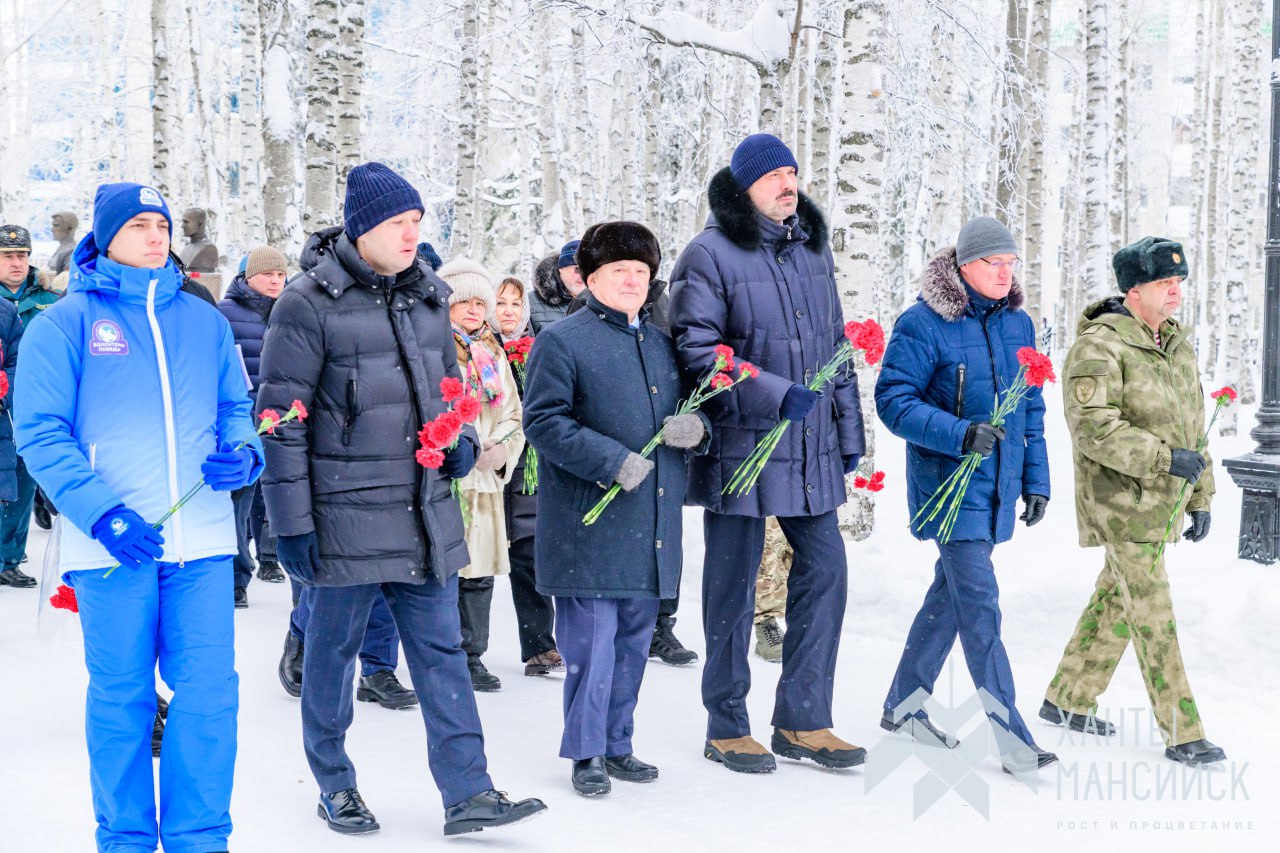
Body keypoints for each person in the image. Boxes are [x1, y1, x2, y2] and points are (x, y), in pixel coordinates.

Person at [255, 161, 546, 836]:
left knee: (443, 656)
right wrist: (290, 524)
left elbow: (450, 394)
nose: (412, 234)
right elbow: (280, 420)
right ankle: (335, 783)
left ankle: (469, 791)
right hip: (344, 517)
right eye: (397, 223)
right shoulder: (307, 303)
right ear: (362, 229)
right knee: (332, 656)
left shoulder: (429, 299)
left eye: (417, 221)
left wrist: (462, 442)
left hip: (423, 513)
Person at [14, 181, 263, 852]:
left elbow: (236, 407)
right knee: (123, 698)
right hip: (111, 547)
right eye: (139, 226)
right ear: (106, 237)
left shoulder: (204, 322)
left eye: (162, 225)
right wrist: (103, 515)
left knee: (208, 696)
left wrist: (245, 453)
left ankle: (198, 838)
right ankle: (123, 838)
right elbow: (40, 433)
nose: (157, 236)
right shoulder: (63, 324)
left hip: (201, 543)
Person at [669, 133, 866, 774]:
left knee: (827, 572)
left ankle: (803, 719)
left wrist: (848, 432)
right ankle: (726, 725)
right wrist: (774, 395)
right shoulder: (708, 254)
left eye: (793, 172)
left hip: (809, 445)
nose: (788, 184)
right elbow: (697, 350)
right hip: (741, 445)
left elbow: (836, 345)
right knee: (731, 586)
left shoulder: (811, 250)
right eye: (774, 176)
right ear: (745, 186)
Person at [523, 220, 707, 796]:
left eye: (641, 271)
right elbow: (543, 421)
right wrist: (610, 460)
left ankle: (618, 743)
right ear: (591, 278)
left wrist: (696, 428)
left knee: (632, 642)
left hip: (650, 523)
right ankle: (587, 752)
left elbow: (695, 411)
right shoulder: (563, 340)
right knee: (591, 645)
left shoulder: (662, 343)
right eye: (618, 270)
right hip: (590, 522)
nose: (632, 280)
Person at [875, 216, 1056, 772]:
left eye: (1010, 263)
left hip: (997, 485)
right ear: (963, 266)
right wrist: (959, 434)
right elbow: (893, 400)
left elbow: (1030, 409)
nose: (1005, 273)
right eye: (992, 263)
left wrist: (1036, 480)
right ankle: (1012, 738)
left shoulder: (1018, 325)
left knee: (950, 598)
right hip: (947, 486)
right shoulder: (923, 323)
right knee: (980, 606)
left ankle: (903, 706)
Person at [1043, 236, 1225, 766]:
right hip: (1120, 501)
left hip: (1163, 499)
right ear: (1134, 290)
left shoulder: (1176, 343)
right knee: (1152, 612)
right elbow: (1093, 428)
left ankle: (1068, 697)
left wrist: (1201, 494)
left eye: (1179, 281)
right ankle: (1182, 731)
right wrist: (1165, 460)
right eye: (1164, 282)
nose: (1176, 291)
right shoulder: (1099, 346)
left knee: (1117, 600)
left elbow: (1193, 425)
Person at [438, 258, 526, 693]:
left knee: (479, 573)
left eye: (480, 303)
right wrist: (458, 444)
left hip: (485, 477)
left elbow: (512, 411)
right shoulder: (435, 347)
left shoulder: (491, 352)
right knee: (446, 571)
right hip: (448, 475)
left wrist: (500, 449)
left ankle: (472, 653)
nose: (475, 310)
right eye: (465, 302)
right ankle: (440, 652)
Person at [491, 274, 562, 676]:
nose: (508, 311)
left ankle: (539, 646)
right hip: (491, 461)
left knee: (528, 554)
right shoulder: (479, 348)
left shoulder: (541, 347)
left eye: (516, 304)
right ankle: (466, 649)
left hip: (529, 468)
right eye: (500, 303)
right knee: (476, 561)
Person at [216, 244, 289, 607]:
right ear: (248, 277)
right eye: (267, 274)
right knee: (240, 498)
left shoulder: (292, 310)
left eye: (280, 274)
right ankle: (235, 577)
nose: (275, 281)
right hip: (242, 418)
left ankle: (271, 557)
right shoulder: (225, 314)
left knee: (277, 494)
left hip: (283, 416)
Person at [0, 223, 56, 588]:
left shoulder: (50, 300)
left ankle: (9, 558)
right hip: (4, 405)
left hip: (37, 402)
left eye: (22, 255)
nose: (17, 263)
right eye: (7, 256)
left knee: (22, 483)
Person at [528, 240, 582, 333]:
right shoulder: (531, 302)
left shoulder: (602, 302)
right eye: (577, 269)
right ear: (561, 269)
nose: (582, 275)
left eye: (588, 270)